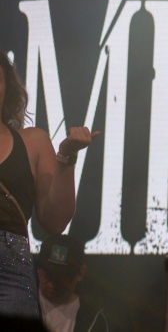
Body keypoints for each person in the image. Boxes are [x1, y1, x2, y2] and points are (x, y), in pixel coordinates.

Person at [0, 50, 98, 320]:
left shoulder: (32, 141)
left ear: (7, 88)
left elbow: (55, 223)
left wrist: (66, 156)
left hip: (10, 274)